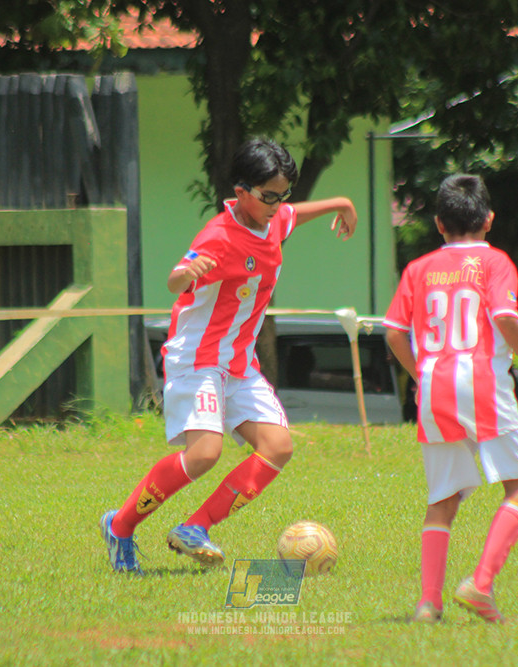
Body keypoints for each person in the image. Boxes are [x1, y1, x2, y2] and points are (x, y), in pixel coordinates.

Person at [100, 138, 357, 574]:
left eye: (284, 194)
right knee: (203, 454)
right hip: (198, 359)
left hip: (239, 363)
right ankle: (120, 527)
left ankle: (194, 527)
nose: (279, 204)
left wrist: (342, 203)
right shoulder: (218, 236)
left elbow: (296, 215)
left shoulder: (273, 217)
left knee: (277, 446)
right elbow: (175, 278)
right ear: (241, 193)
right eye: (269, 196)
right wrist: (185, 274)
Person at [383, 174, 518, 624]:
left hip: (434, 388)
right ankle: (481, 584)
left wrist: (422, 374)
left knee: (444, 498)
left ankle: (428, 604)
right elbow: (505, 315)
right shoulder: (495, 263)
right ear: (489, 219)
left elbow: (394, 333)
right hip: (483, 386)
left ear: (438, 224)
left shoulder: (418, 268)